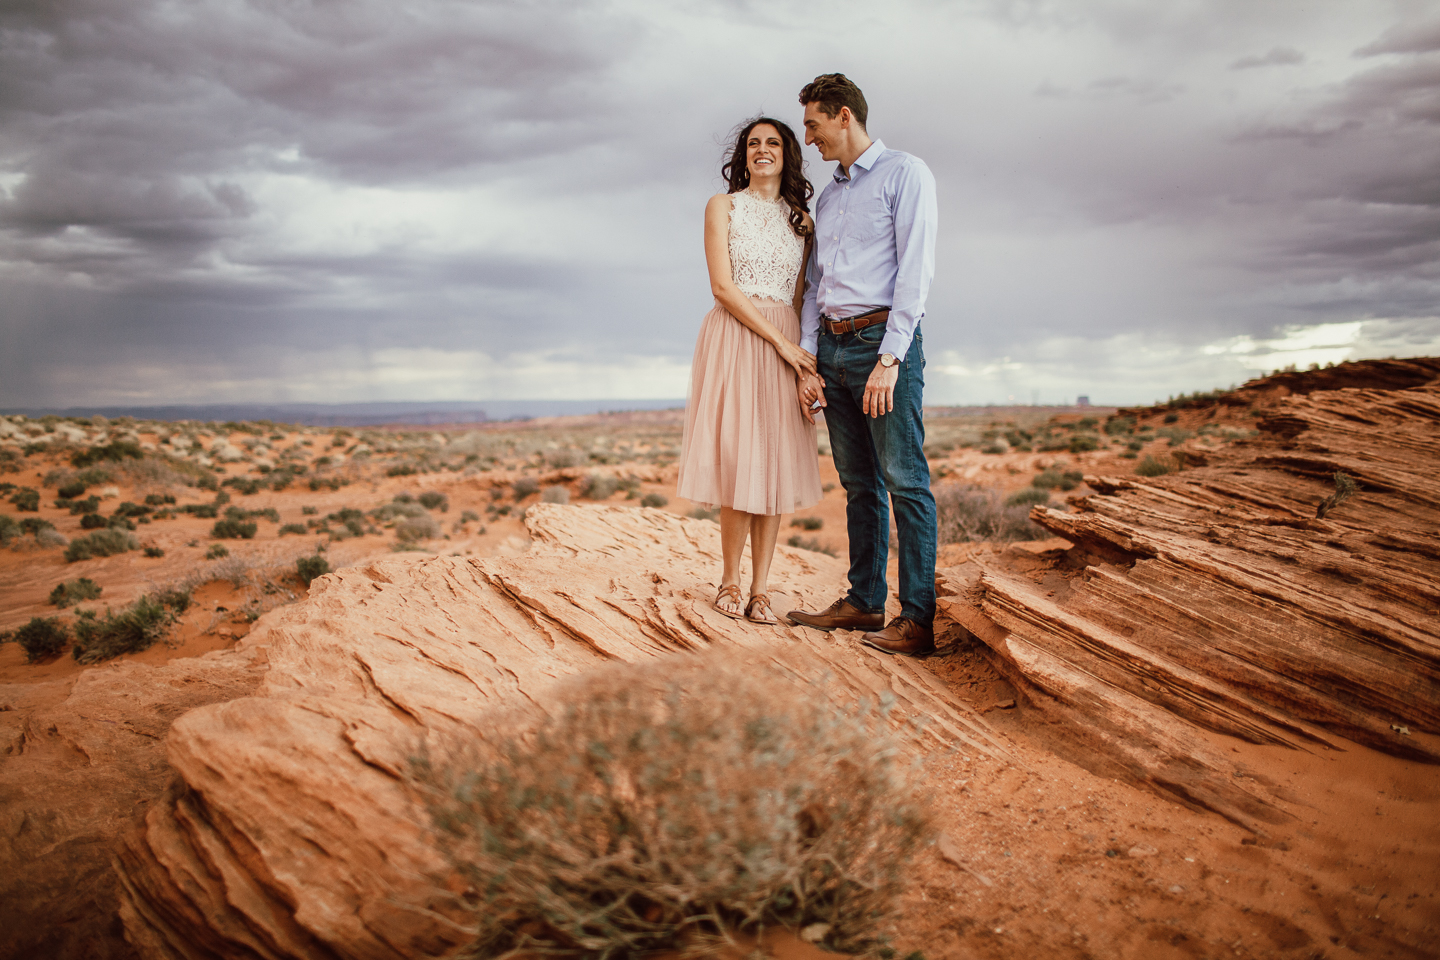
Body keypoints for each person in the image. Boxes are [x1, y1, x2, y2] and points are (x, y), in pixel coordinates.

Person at [785, 73, 940, 657]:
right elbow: (818, 281)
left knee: (905, 480)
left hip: (882, 346)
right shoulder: (830, 196)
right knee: (859, 483)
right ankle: (864, 603)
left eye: (812, 123)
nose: (809, 135)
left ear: (843, 116)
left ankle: (917, 622)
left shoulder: (906, 173)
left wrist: (891, 358)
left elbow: (915, 271)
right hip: (832, 347)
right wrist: (808, 362)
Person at [676, 116, 824, 625]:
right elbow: (722, 286)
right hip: (738, 336)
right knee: (740, 457)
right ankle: (729, 581)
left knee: (775, 460)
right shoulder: (723, 207)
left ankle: (762, 589)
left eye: (773, 143)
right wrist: (782, 345)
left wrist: (803, 363)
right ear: (743, 156)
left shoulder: (801, 221)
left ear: (787, 155)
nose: (763, 150)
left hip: (788, 341)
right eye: (753, 144)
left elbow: (803, 297)